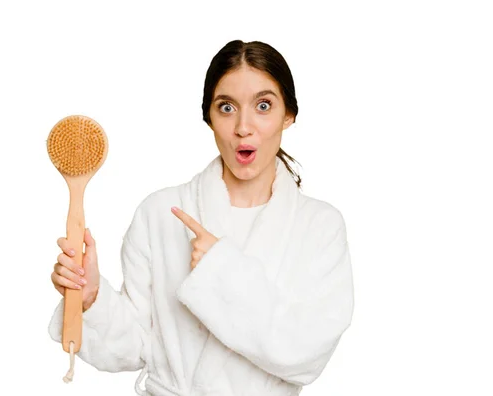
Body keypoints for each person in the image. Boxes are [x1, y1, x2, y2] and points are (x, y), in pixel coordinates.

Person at [48, 39, 354, 396]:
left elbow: (306, 354)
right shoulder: (160, 213)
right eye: (226, 107)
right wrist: (92, 299)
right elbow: (135, 347)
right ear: (209, 116)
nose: (243, 127)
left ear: (289, 115)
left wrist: (220, 271)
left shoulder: (319, 227)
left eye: (263, 105)